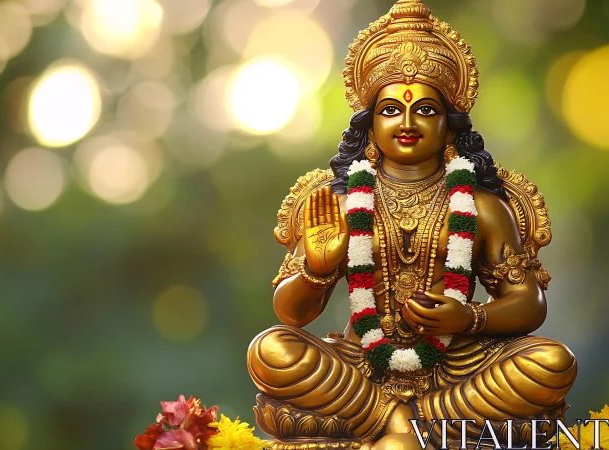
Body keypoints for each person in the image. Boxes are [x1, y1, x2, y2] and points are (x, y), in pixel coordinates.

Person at [247, 1, 577, 449]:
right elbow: (290, 313)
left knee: (552, 362)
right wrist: (318, 269)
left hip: (459, 364)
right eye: (389, 111)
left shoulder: (481, 206)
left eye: (424, 110)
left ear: (449, 124)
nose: (406, 122)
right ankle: (414, 424)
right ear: (368, 125)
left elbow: (528, 303)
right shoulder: (341, 204)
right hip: (360, 364)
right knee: (270, 351)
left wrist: (472, 316)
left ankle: (400, 421)